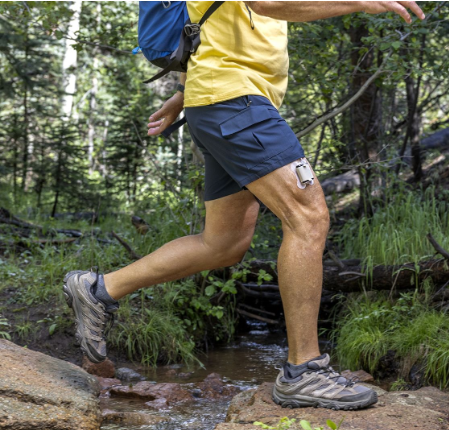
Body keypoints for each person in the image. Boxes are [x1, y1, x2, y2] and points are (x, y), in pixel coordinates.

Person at [63, 1, 424, 411]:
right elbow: (270, 3)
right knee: (308, 217)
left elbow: (221, 24)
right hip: (235, 102)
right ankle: (303, 371)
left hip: (223, 99)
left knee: (224, 242)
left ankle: (98, 289)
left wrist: (184, 94)